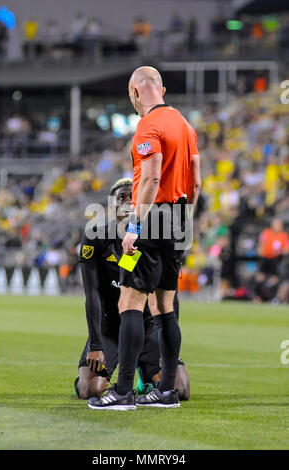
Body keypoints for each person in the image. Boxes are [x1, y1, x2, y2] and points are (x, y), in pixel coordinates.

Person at [88, 67, 200, 411]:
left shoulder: (148, 127)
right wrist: (185, 223)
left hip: (152, 218)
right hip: (180, 217)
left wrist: (135, 226)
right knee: (165, 306)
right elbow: (195, 182)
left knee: (130, 303)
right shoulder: (185, 125)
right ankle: (166, 391)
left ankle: (122, 393)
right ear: (161, 88)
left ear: (134, 93)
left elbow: (150, 179)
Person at [76, 178, 190, 401]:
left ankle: (142, 374)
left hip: (148, 326)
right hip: (110, 326)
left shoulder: (157, 236)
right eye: (121, 198)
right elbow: (92, 295)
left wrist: (167, 347)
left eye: (133, 197)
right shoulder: (95, 235)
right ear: (111, 205)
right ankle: (121, 372)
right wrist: (96, 343)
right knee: (91, 389)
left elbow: (169, 298)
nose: (128, 202)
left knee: (181, 390)